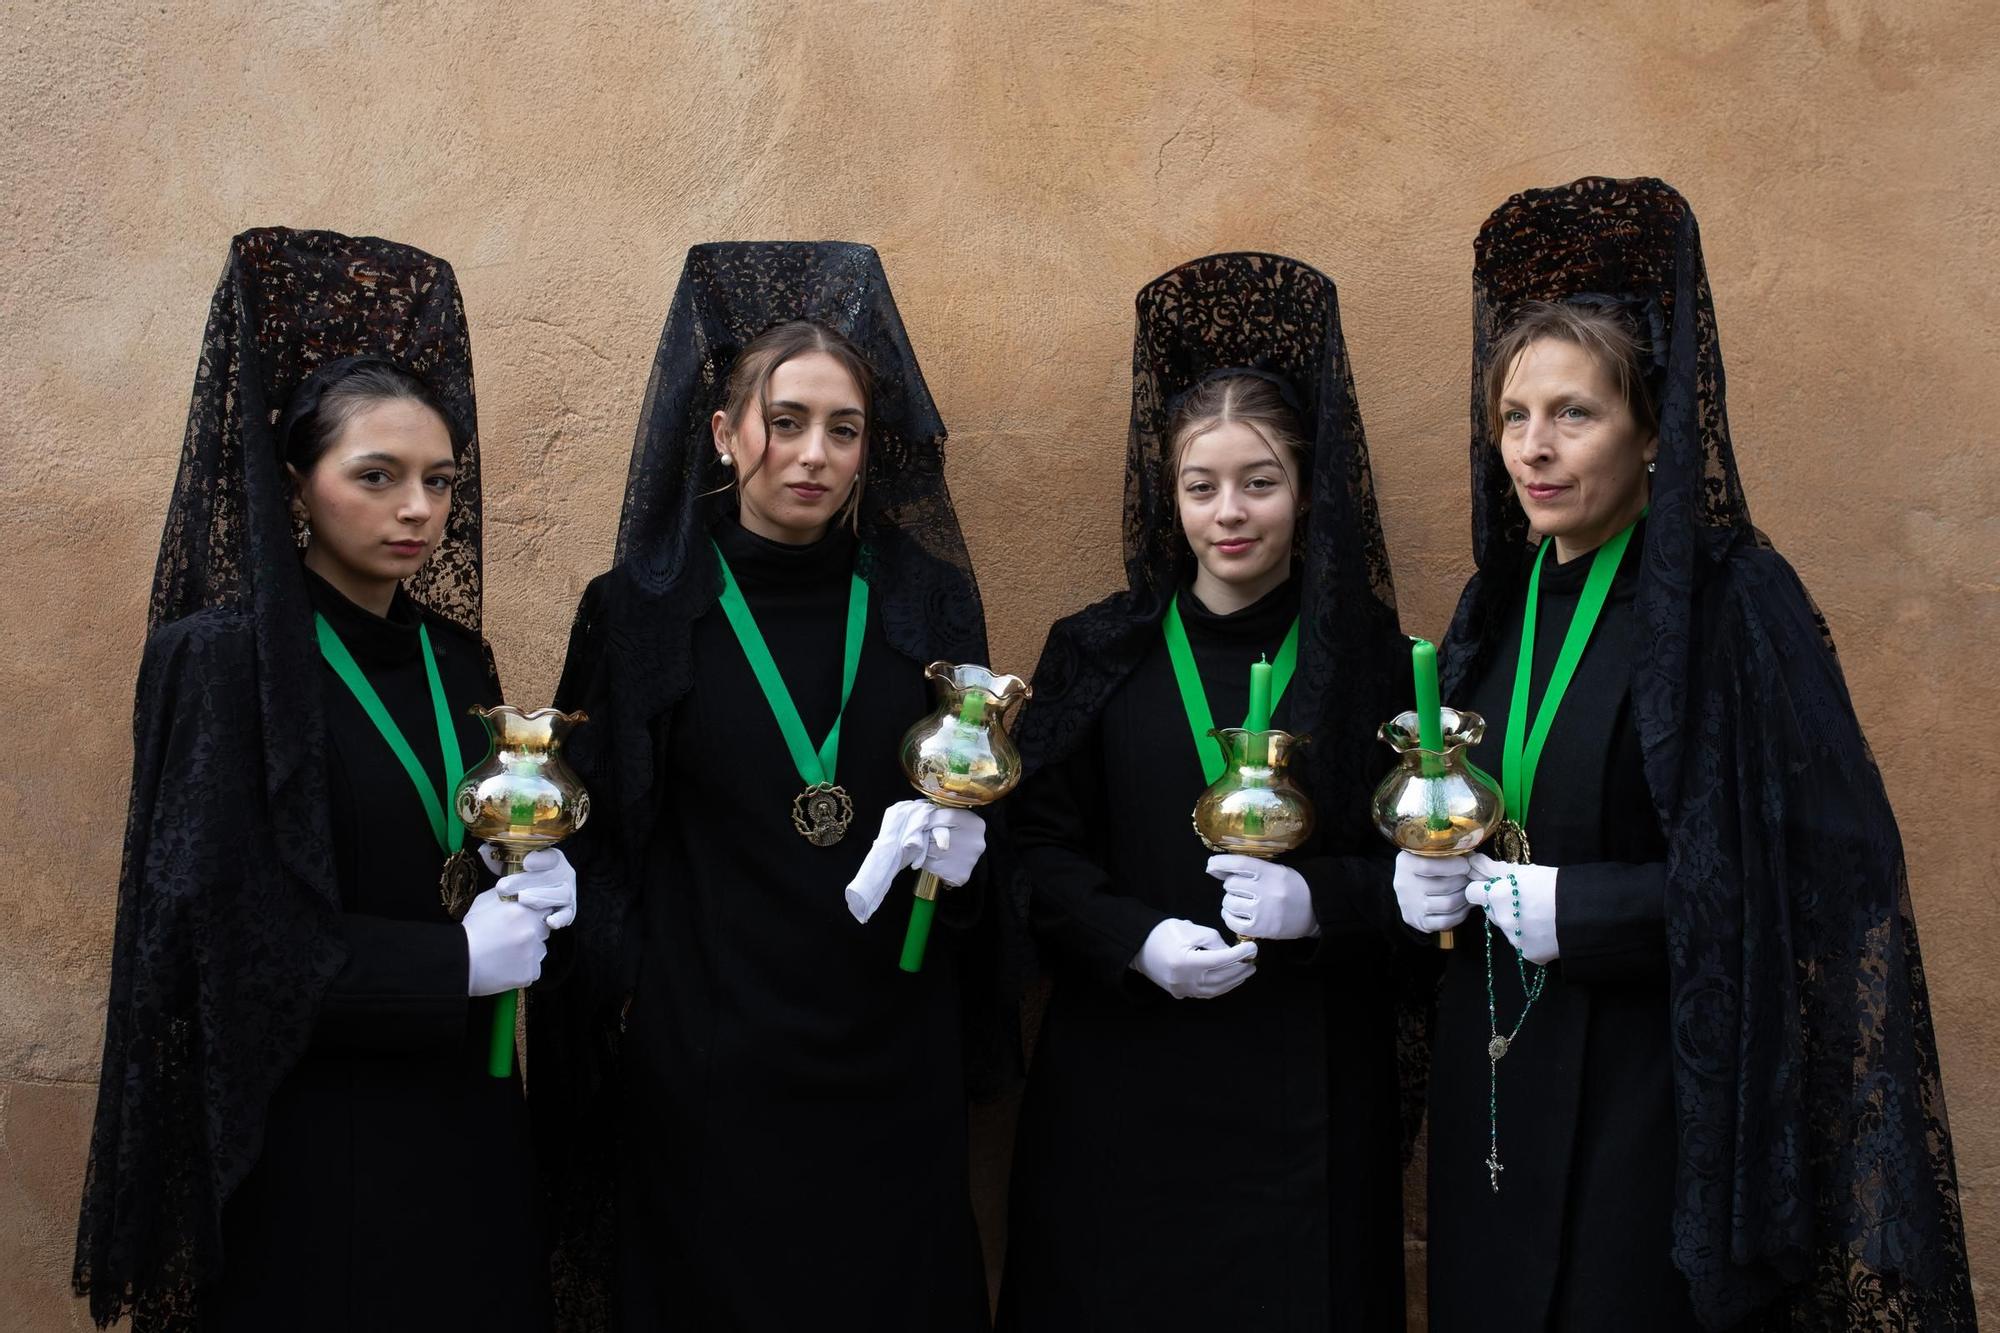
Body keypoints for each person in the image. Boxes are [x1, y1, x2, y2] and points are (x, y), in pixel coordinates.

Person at [1392, 176, 1974, 1330]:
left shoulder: (1731, 605)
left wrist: (1580, 908)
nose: (1533, 450)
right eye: (1512, 415)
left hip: (1651, 1102)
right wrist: (1415, 878)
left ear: (1651, 426)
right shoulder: (1489, 611)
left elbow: (1822, 887)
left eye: (1574, 413)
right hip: (1495, 1084)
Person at [74, 228, 570, 1331]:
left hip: (468, 1117)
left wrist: (525, 870)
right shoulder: (223, 657)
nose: (416, 511)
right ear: (296, 484)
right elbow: (223, 939)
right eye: (376, 476)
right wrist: (453, 958)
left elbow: (441, 833)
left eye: (438, 482)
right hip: (314, 1146)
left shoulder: (458, 660)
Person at [537, 242, 1017, 1330]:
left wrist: (970, 852)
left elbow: (982, 804)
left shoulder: (924, 604)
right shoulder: (638, 610)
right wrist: (640, 992)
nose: (811, 453)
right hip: (707, 1072)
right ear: (721, 431)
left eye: (841, 429)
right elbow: (595, 839)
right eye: (784, 419)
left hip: (889, 1059)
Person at [997, 253, 1417, 1332]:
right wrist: (1135, 939)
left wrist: (1320, 900)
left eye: (1259, 482)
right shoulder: (1095, 651)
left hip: (1305, 1092)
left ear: (1309, 489)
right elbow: (1034, 854)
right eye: (1200, 485)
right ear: (1166, 493)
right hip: (1120, 1084)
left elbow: (1423, 883)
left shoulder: (1370, 661)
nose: (1228, 513)